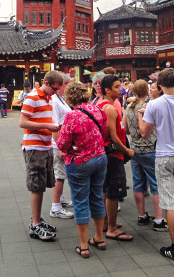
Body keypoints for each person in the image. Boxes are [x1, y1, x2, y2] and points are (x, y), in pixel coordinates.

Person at [139, 68, 174, 262]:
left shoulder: (153, 105)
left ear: (160, 85)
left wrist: (142, 116)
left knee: (170, 203)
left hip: (163, 155)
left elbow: (145, 133)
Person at [57, 82, 107, 259]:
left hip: (80, 161)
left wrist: (71, 148)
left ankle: (84, 245)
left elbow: (62, 143)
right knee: (97, 196)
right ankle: (99, 238)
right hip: (100, 157)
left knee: (80, 201)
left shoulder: (71, 116)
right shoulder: (98, 110)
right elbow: (104, 132)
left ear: (70, 98)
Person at [19, 70, 63, 241]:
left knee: (42, 185)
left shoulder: (48, 98)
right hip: (34, 147)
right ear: (46, 83)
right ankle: (35, 223)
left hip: (45, 146)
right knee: (36, 186)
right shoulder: (32, 97)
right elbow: (22, 122)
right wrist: (48, 126)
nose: (56, 92)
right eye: (54, 88)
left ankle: (37, 219)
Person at [124, 80, 166, 230]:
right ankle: (159, 219)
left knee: (138, 183)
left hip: (135, 149)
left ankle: (142, 215)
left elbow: (126, 129)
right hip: (151, 148)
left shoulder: (129, 107)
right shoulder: (148, 106)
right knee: (155, 183)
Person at [97, 75, 134, 242]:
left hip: (106, 154)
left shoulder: (101, 104)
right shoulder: (110, 108)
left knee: (106, 189)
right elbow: (113, 136)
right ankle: (111, 228)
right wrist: (127, 150)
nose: (121, 89)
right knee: (113, 192)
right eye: (117, 87)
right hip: (113, 154)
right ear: (107, 90)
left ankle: (106, 223)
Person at [50, 73, 74, 219]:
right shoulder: (54, 101)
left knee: (61, 174)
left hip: (63, 141)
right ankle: (55, 206)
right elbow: (55, 125)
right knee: (59, 175)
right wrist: (60, 147)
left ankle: (60, 198)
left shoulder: (61, 99)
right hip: (57, 142)